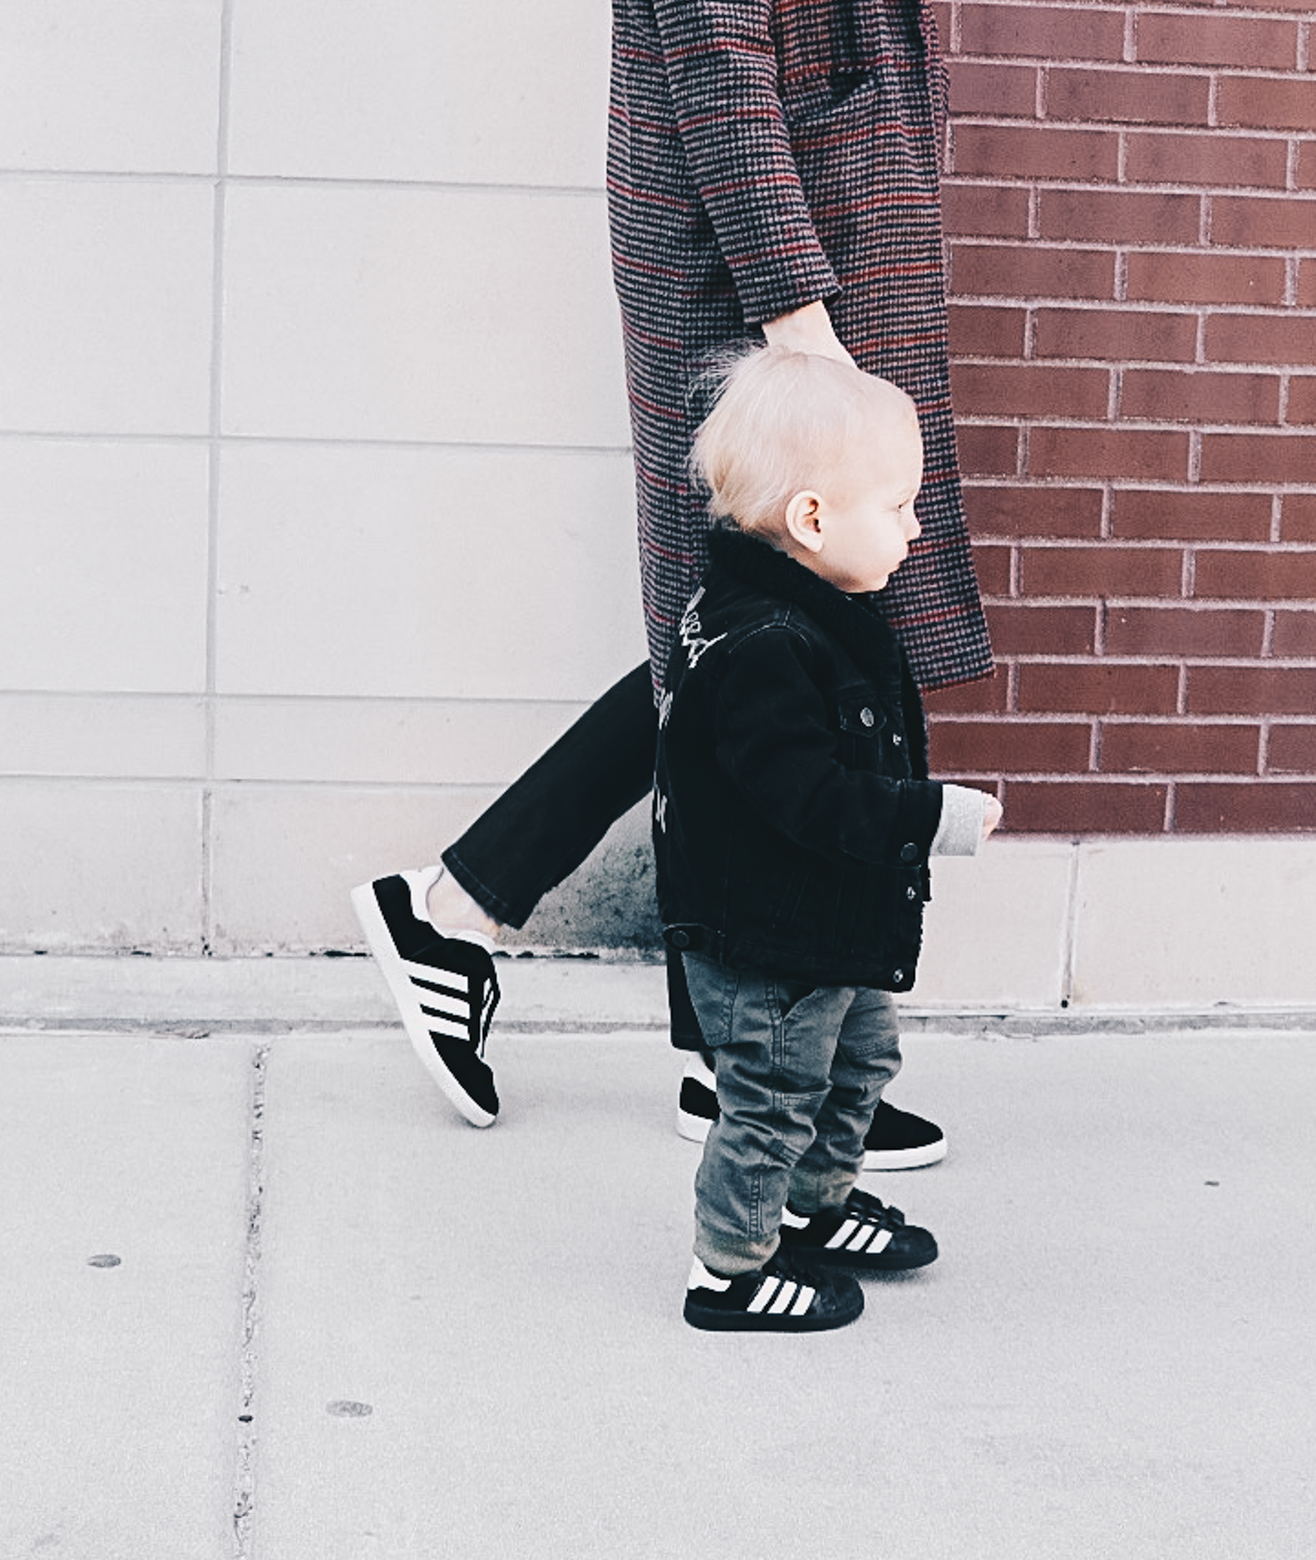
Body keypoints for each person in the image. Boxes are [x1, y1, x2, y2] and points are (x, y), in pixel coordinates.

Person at [351, 0, 993, 1159]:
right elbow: (718, 64)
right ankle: (722, 1042)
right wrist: (800, 328)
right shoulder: (789, 327)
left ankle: (475, 913)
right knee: (767, 649)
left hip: (816, 273)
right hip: (768, 300)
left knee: (742, 650)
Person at [667, 348, 1000, 1332]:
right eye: (897, 505)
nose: (915, 525)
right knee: (770, 1098)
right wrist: (930, 820)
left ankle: (812, 1209)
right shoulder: (762, 648)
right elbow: (807, 796)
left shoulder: (827, 616)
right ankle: (728, 1269)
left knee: (856, 1068)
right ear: (811, 519)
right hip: (768, 943)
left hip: (828, 925)